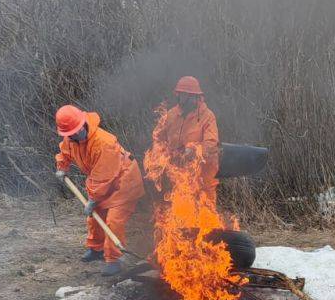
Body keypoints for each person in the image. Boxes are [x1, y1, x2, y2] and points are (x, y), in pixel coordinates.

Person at [54, 105, 145, 276]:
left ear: (83, 123)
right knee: (95, 215)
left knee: (113, 220)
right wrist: (62, 167)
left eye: (76, 130)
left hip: (124, 182)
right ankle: (96, 249)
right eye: (70, 134)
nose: (74, 135)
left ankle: (113, 260)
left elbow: (104, 176)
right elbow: (65, 152)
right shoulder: (71, 138)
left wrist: (93, 199)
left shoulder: (104, 143)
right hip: (103, 182)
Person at [148, 76, 220, 205]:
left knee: (205, 208)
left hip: (203, 172)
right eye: (184, 95)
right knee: (179, 207)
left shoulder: (207, 116)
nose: (187, 99)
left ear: (197, 97)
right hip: (179, 171)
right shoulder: (171, 115)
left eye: (191, 96)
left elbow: (211, 143)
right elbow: (159, 137)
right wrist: (160, 154)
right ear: (179, 95)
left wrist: (193, 150)